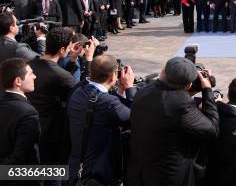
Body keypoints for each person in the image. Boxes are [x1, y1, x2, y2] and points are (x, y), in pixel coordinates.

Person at [128, 57, 219, 186]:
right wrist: (207, 90)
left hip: (140, 172)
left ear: (164, 72)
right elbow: (212, 129)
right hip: (167, 176)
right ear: (188, 85)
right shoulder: (181, 103)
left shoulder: (144, 90)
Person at [67, 55, 136, 186]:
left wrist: (120, 93)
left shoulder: (78, 91)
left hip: (76, 167)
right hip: (98, 172)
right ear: (113, 76)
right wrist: (129, 88)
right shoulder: (108, 102)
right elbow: (133, 118)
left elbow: (112, 113)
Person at [27, 28, 82, 171]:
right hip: (50, 134)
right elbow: (82, 95)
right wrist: (87, 61)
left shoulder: (30, 64)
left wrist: (73, 60)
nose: (71, 50)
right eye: (70, 47)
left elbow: (57, 78)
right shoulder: (61, 76)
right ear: (62, 49)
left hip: (30, 127)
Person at [0, 58, 40, 166]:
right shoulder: (28, 113)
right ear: (18, 81)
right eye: (31, 74)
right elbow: (21, 156)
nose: (34, 77)